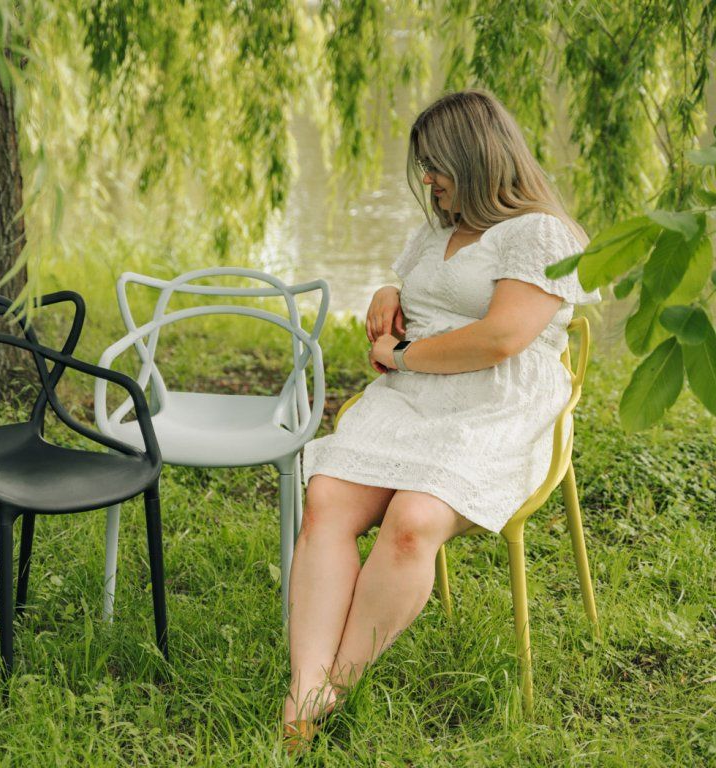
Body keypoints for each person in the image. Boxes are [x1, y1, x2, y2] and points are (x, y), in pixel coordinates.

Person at [282, 89, 601, 751]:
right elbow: (420, 284)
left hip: (496, 405)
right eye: (424, 166)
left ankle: (335, 686)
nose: (427, 179)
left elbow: (501, 338)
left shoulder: (540, 233)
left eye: (436, 166)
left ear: (477, 159)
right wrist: (387, 293)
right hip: (414, 399)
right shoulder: (438, 228)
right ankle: (303, 688)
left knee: (413, 519)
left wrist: (401, 355)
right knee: (328, 498)